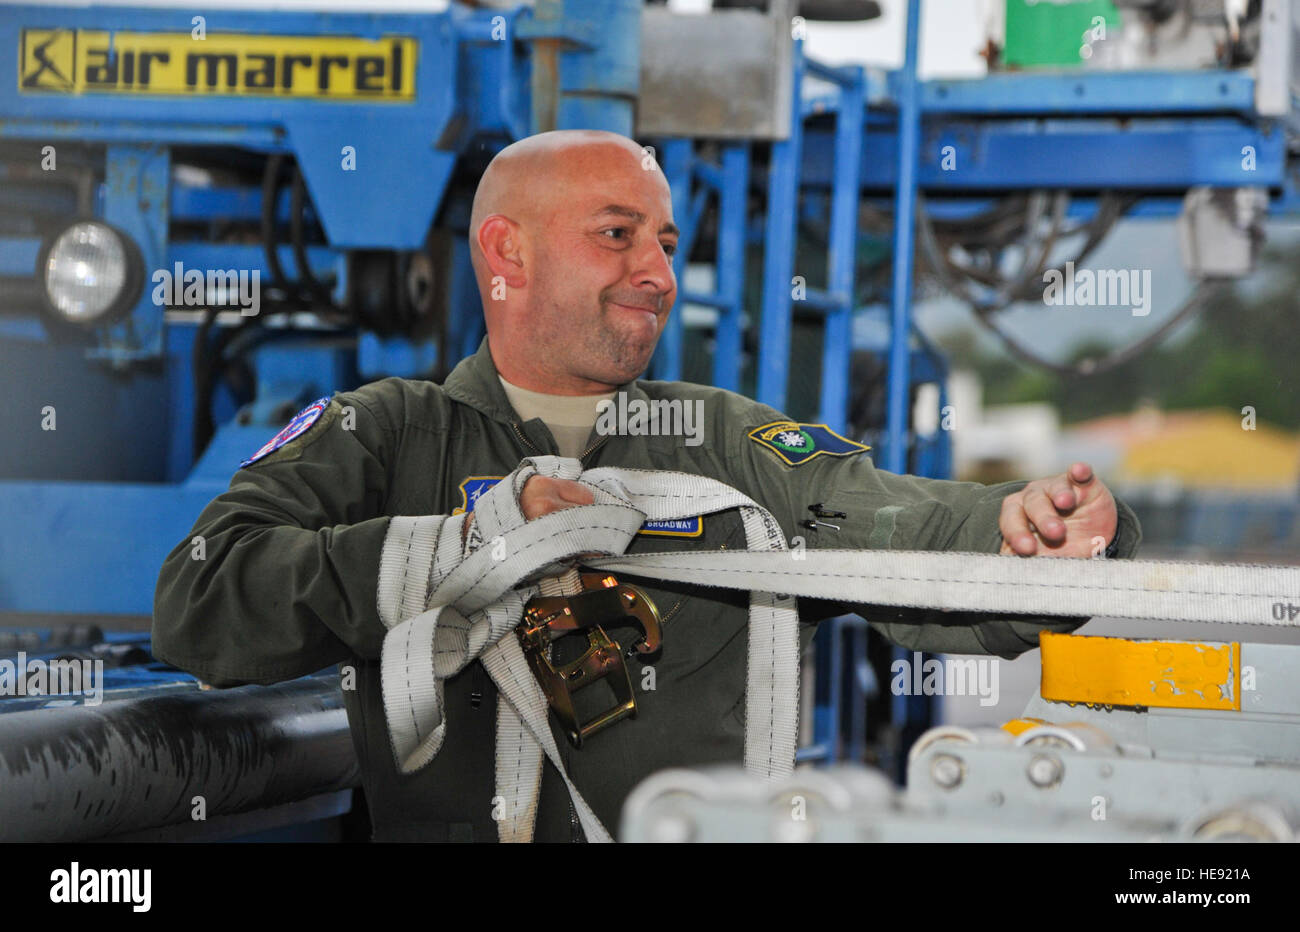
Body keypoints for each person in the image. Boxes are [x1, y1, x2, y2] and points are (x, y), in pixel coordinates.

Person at [152, 129, 1141, 842]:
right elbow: (200, 599)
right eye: (616, 234)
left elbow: (884, 520)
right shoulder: (386, 434)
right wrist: (462, 546)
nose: (657, 272)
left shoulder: (726, 442)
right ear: (507, 251)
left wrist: (1022, 536)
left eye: (666, 241)